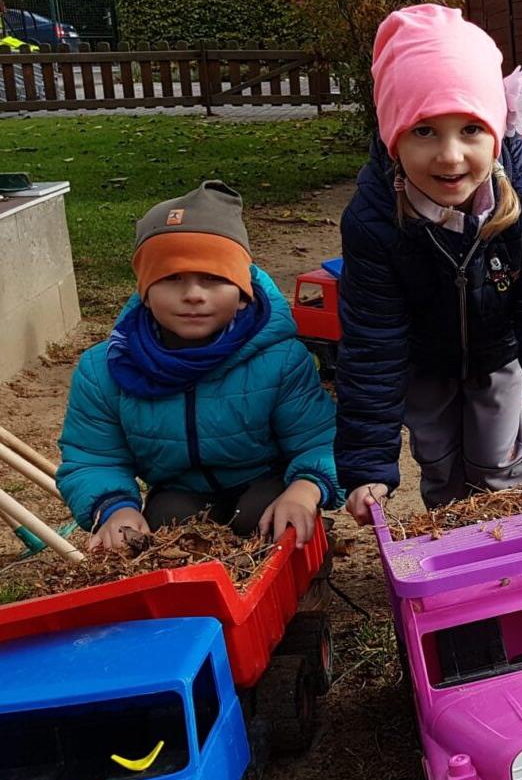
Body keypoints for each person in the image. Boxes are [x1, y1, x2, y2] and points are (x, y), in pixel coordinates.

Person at [336, 4, 522, 521]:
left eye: (471, 130)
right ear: (393, 136)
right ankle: (456, 546)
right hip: (423, 361)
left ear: (497, 130)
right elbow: (372, 342)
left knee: (499, 461)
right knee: (439, 466)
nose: (451, 156)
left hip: (498, 353)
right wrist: (367, 462)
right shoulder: (374, 219)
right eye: (425, 131)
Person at [57, 182, 338, 551]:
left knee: (267, 516)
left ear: (242, 294)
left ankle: (306, 578)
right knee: (166, 523)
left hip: (266, 482)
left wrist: (305, 489)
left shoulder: (280, 359)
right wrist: (114, 508)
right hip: (180, 489)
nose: (193, 294)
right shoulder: (105, 369)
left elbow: (319, 439)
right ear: (145, 292)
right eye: (171, 277)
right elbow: (93, 457)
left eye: (213, 278)